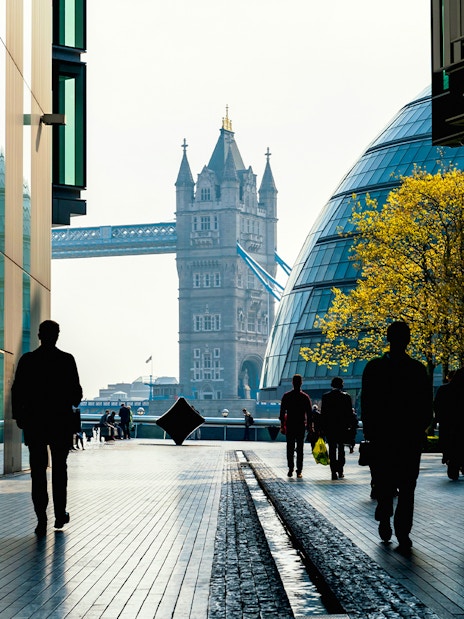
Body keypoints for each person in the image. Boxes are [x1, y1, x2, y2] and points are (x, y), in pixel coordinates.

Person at [361, 321, 432, 550]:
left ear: (387, 339)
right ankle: (403, 531)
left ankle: (384, 516)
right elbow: (425, 405)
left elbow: (367, 404)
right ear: (408, 340)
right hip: (408, 438)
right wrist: (420, 429)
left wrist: (371, 431)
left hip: (382, 437)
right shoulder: (418, 370)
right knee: (407, 486)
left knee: (384, 482)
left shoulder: (374, 368)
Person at [11, 320, 82, 536]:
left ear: (39, 335)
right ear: (57, 336)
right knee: (60, 470)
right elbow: (76, 396)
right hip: (60, 424)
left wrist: (21, 418)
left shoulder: (28, 361)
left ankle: (41, 519)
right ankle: (60, 514)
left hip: (35, 425)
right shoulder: (66, 360)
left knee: (38, 473)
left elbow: (17, 391)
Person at [279, 374, 312, 479]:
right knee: (300, 449)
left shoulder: (287, 396)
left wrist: (282, 426)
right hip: (300, 425)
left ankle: (290, 468)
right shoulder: (305, 397)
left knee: (290, 447)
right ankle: (299, 470)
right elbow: (309, 414)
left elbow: (282, 412)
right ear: (301, 383)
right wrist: (310, 427)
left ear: (292, 383)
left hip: (290, 425)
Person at [434, 368, 464, 480]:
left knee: (450, 446)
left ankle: (450, 462)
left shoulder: (444, 390)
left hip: (448, 425)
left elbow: (437, 406)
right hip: (461, 426)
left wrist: (439, 419)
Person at [321, 377, 353, 480]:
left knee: (332, 449)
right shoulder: (346, 397)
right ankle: (340, 469)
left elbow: (324, 414)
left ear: (332, 385)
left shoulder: (326, 397)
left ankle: (333, 471)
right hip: (342, 427)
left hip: (330, 427)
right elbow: (349, 414)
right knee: (341, 448)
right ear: (342, 385)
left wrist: (323, 428)